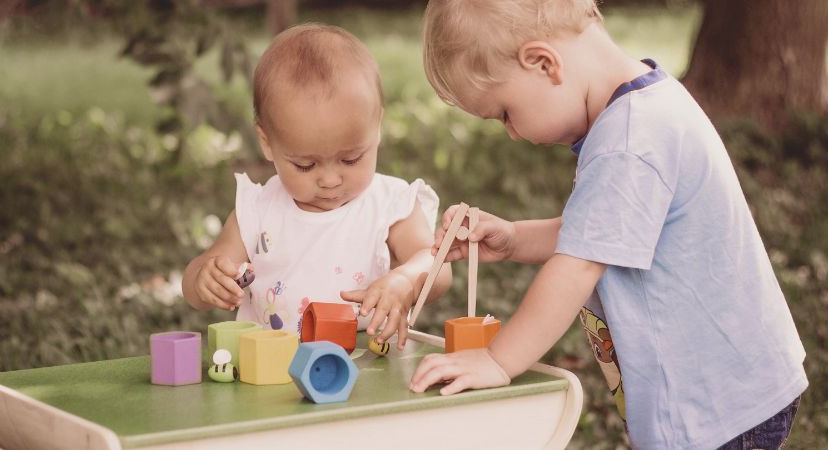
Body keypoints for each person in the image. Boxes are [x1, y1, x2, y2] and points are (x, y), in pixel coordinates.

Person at [408, 1, 808, 448]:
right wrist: (516, 238)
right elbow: (606, 230)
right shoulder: (645, 105)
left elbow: (578, 265)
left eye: (504, 113)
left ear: (543, 63)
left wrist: (498, 360)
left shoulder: (629, 140)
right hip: (732, 389)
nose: (513, 133)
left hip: (714, 407)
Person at [182, 23, 451, 349]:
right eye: (305, 165)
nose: (330, 180)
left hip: (366, 367)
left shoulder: (390, 206)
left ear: (377, 127)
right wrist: (204, 280)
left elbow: (436, 265)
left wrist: (406, 280)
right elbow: (202, 273)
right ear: (267, 143)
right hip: (270, 369)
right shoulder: (257, 212)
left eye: (351, 159)